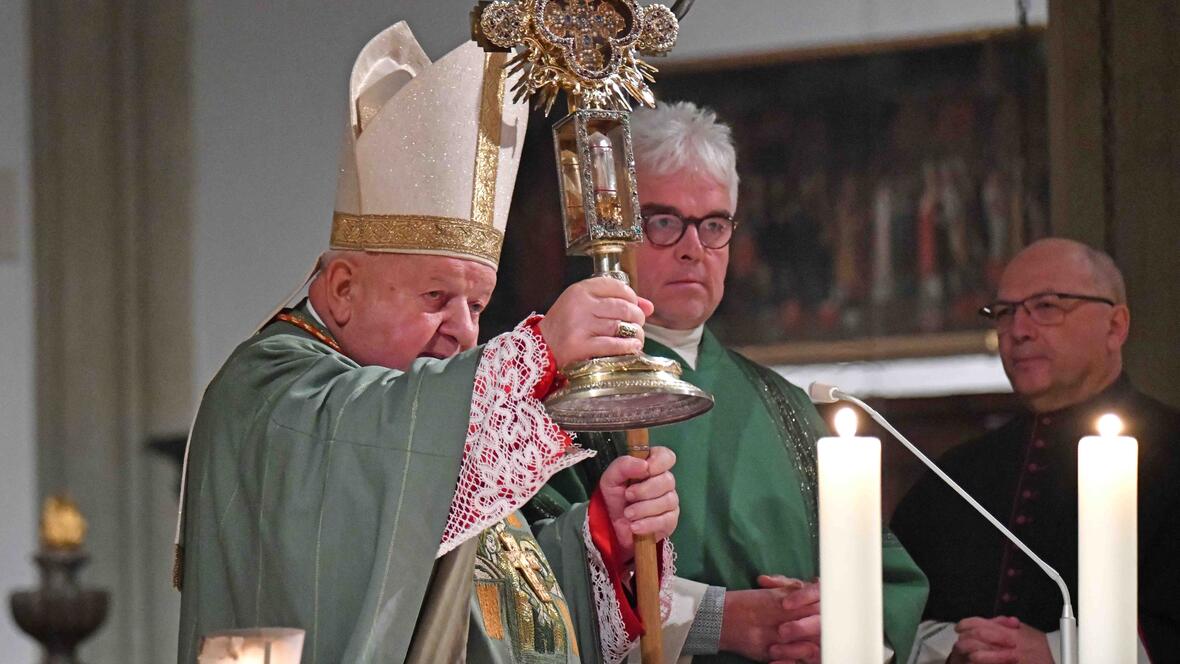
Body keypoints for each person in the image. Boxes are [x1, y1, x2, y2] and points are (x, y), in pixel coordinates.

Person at [175, 23, 681, 664]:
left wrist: (603, 538)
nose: (465, 330)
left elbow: (483, 601)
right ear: (342, 288)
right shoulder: (272, 394)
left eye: (477, 304)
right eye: (435, 298)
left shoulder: (427, 422)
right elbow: (378, 447)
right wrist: (543, 347)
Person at [526, 101, 928, 664]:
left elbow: (885, 581)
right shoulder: (556, 398)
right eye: (664, 222)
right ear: (616, 232)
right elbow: (531, 577)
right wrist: (715, 621)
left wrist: (838, 624)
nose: (694, 248)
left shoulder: (785, 406)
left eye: (714, 224)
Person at [891, 238, 1180, 663]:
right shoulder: (954, 476)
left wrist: (1058, 653)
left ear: (1115, 327)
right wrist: (954, 647)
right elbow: (896, 612)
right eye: (1005, 313)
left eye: (1047, 306)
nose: (1019, 331)